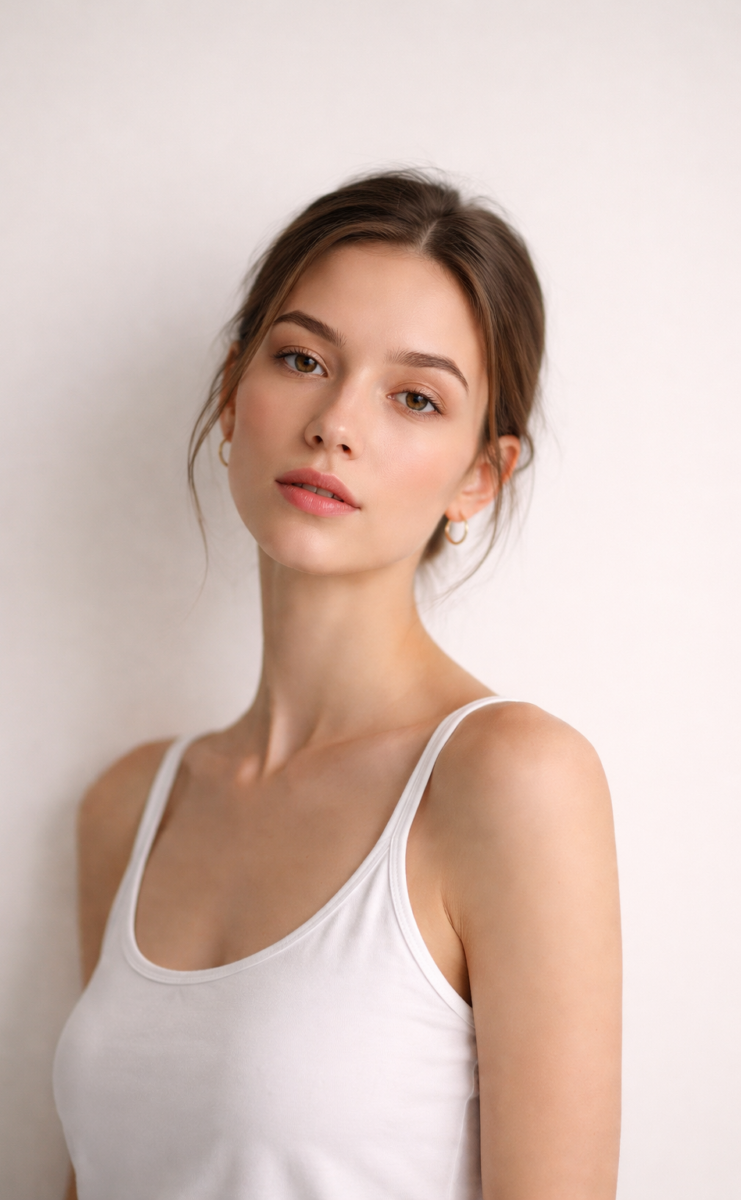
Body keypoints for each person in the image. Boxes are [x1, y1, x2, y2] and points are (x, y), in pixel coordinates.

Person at [53, 170, 622, 1200]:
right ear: (233, 394)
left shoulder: (509, 782)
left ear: (476, 477)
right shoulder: (127, 808)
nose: (334, 423)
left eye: (413, 396)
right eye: (303, 359)